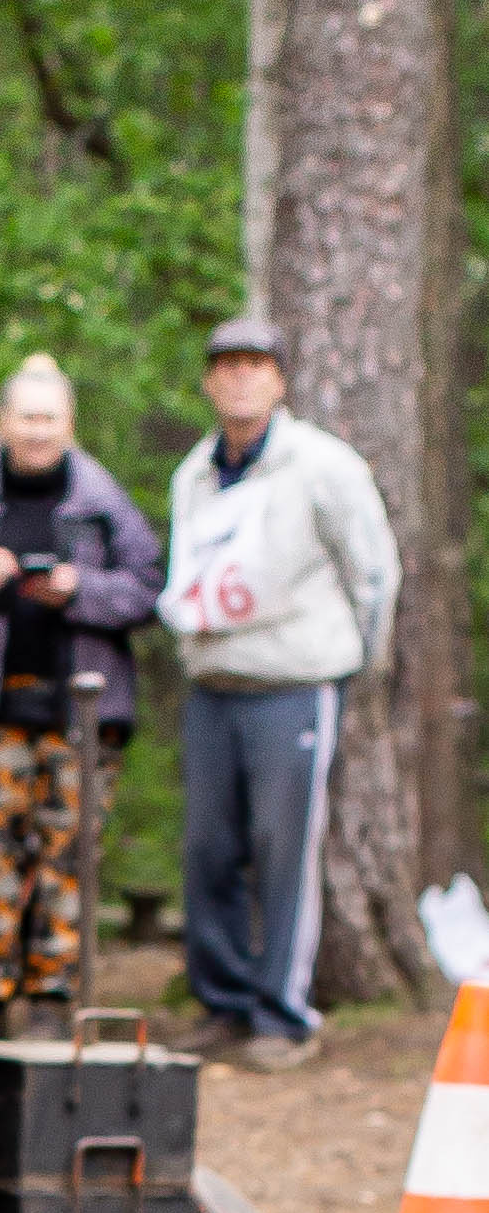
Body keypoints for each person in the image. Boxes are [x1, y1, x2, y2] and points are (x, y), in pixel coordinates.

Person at [161, 315, 398, 1070]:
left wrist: (356, 660)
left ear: (281, 379)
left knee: (283, 847)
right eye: (226, 365)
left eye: (255, 364)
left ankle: (281, 1013)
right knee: (208, 849)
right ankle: (224, 1001)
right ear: (208, 381)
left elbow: (373, 571)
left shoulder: (321, 466)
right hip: (214, 685)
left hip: (292, 685)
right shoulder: (195, 473)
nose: (239, 377)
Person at [0, 353, 161, 1034]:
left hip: (82, 709)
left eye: (50, 417)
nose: (38, 430)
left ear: (70, 424)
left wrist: (82, 588)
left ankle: (53, 996)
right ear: (3, 423)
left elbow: (147, 586)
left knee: (68, 852)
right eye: (27, 416)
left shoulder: (103, 502)